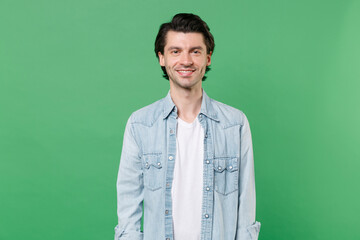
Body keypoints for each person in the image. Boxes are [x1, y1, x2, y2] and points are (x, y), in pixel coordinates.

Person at [114, 13, 261, 240]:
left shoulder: (235, 124)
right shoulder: (140, 125)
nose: (186, 61)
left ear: (208, 58)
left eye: (195, 51)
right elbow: (128, 212)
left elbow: (246, 210)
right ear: (161, 58)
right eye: (175, 51)